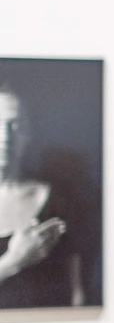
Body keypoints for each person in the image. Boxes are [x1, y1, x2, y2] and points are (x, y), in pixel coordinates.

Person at [0, 81, 96, 308]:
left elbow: (78, 292)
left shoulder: (59, 200)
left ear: (28, 133)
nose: (5, 136)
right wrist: (14, 260)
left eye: (14, 124)